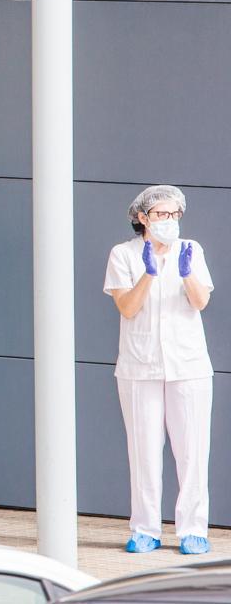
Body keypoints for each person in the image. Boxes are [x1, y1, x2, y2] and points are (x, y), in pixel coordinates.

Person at [104, 185, 214, 556]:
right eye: (161, 215)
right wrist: (148, 274)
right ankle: (145, 528)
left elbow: (200, 301)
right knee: (144, 451)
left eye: (174, 215)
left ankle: (193, 530)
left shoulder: (191, 250)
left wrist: (186, 274)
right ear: (142, 217)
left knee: (192, 451)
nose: (169, 221)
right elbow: (128, 309)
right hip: (140, 367)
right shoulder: (123, 254)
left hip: (189, 365)